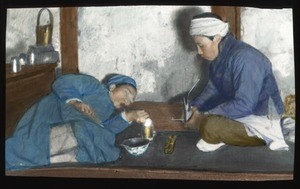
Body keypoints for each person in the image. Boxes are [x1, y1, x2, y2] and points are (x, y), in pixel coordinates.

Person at [185, 12, 289, 152]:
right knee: (204, 120)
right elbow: (213, 89)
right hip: (240, 114)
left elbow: (245, 105)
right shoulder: (218, 59)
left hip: (261, 120)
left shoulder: (246, 58)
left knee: (209, 126)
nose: (199, 51)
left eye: (201, 45)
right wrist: (195, 107)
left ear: (216, 38)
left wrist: (205, 115)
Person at [6, 73, 150, 171]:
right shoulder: (94, 85)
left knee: (100, 135)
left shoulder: (107, 110)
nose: (127, 100)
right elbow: (62, 82)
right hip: (54, 112)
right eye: (126, 93)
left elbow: (103, 128)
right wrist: (75, 102)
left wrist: (128, 116)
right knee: (85, 130)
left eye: (131, 100)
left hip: (78, 122)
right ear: (113, 87)